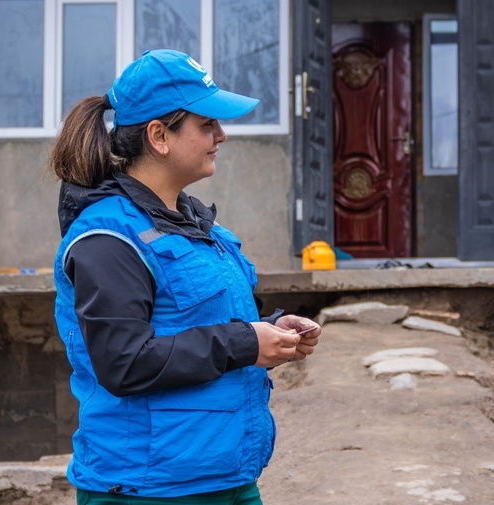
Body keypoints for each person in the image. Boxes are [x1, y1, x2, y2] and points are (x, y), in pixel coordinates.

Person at [49, 49, 321, 504]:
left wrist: (271, 333)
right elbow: (124, 362)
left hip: (227, 477)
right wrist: (245, 342)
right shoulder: (109, 238)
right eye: (207, 124)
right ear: (159, 136)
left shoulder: (194, 224)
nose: (221, 135)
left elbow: (199, 326)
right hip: (148, 490)